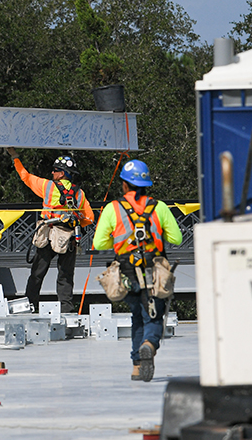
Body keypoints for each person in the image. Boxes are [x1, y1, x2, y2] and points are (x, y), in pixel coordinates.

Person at [93, 159, 182, 382]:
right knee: (153, 316)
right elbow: (177, 238)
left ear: (124, 185)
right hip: (155, 271)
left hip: (126, 273)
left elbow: (100, 243)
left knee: (138, 316)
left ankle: (136, 366)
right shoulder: (159, 207)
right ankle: (149, 345)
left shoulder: (113, 208)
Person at [6, 149, 94, 314]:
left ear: (61, 174)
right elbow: (89, 217)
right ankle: (67, 309)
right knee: (65, 275)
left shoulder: (47, 187)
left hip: (48, 233)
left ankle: (30, 306)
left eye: (55, 170)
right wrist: (76, 220)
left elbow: (25, 176)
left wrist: (15, 157)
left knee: (37, 273)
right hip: (68, 238)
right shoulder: (79, 194)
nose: (52, 172)